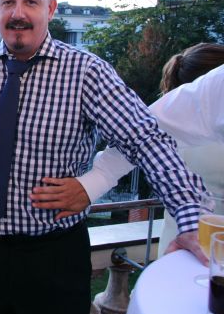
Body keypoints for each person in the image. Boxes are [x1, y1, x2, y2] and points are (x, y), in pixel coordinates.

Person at [0, 0, 207, 314]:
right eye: (8, 2)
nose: (18, 13)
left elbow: (145, 139)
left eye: (31, 1)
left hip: (53, 259)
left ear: (50, 8)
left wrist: (188, 215)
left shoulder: (87, 72)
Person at [67, 44, 224, 256]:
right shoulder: (216, 87)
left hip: (187, 239)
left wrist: (94, 182)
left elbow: (144, 132)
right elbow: (144, 132)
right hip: (199, 247)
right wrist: (95, 181)